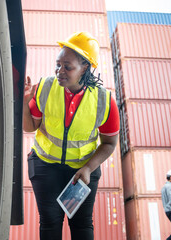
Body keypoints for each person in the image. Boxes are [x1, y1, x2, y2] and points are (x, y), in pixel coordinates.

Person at [23, 31, 120, 240]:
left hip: (82, 171)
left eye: (68, 67)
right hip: (45, 165)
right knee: (50, 221)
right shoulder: (45, 87)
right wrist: (24, 102)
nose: (60, 71)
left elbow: (110, 143)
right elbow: (30, 126)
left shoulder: (104, 101)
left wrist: (88, 168)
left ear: (85, 67)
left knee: (82, 225)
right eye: (58, 64)